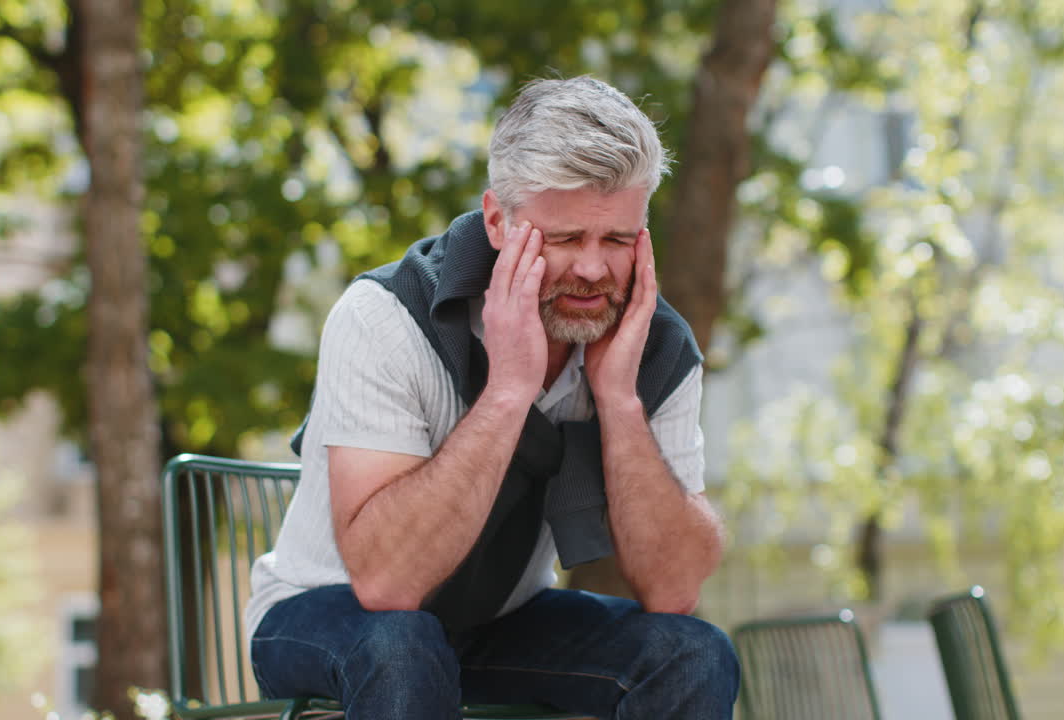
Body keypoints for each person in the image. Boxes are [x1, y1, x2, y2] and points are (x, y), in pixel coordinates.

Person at [244, 75, 740, 719]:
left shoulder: (657, 345)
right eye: (564, 239)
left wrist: (620, 402)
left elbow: (673, 587)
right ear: (498, 221)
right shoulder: (385, 317)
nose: (593, 269)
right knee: (401, 642)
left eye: (617, 240)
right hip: (328, 613)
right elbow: (386, 582)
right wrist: (509, 391)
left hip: (498, 622)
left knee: (692, 653)